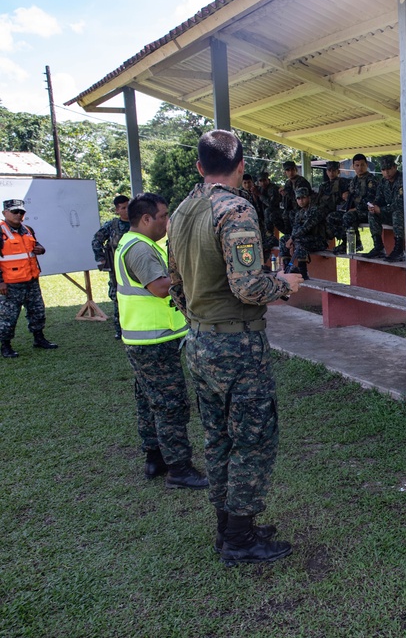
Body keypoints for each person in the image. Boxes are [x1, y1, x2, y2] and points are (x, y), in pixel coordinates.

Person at [168, 130, 303, 564]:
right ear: (241, 166)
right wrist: (285, 284)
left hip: (199, 340)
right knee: (253, 439)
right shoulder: (235, 208)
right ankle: (241, 540)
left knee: (218, 437)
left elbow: (175, 284)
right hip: (237, 347)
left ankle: (229, 527)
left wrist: (199, 318)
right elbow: (247, 286)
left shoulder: (183, 210)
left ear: (199, 166)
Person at [114, 193, 208, 489]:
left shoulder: (134, 243)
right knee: (170, 404)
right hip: (153, 341)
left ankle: (155, 458)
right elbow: (159, 287)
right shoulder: (140, 249)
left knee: (148, 400)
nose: (167, 222)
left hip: (144, 338)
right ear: (146, 219)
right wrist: (190, 276)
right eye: (164, 216)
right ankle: (179, 469)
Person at [1, 198, 58, 358]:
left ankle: (39, 339)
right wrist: (1, 282)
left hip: (31, 281)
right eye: (15, 212)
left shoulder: (27, 230)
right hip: (11, 284)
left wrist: (41, 249)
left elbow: (36, 247)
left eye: (21, 212)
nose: (19, 215)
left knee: (37, 311)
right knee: (8, 317)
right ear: (5, 213)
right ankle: (5, 346)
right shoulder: (1, 232)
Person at [91, 194, 131, 338]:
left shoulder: (139, 223)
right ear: (117, 210)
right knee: (118, 296)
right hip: (117, 269)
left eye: (129, 206)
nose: (127, 210)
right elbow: (96, 240)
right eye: (123, 208)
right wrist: (101, 259)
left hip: (136, 267)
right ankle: (119, 329)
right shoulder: (112, 226)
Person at [332, 153, 377, 254]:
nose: (360, 168)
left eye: (362, 165)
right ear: (353, 167)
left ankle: (357, 244)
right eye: (357, 165)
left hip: (367, 212)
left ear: (367, 165)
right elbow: (352, 198)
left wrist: (357, 209)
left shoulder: (371, 180)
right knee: (332, 216)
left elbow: (371, 200)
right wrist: (346, 197)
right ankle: (344, 243)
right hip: (353, 211)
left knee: (348, 216)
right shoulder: (354, 181)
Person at [366, 155, 406, 262]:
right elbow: (379, 198)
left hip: (405, 215)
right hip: (390, 214)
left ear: (395, 167)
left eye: (389, 169)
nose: (386, 172)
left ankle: (399, 250)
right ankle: (378, 246)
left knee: (397, 213)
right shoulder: (383, 182)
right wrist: (373, 206)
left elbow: (400, 204)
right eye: (383, 170)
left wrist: (382, 210)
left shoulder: (403, 180)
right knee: (372, 214)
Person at [280, 187, 327, 279]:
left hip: (318, 241)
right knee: (283, 239)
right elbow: (295, 228)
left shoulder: (316, 210)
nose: (301, 201)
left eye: (303, 198)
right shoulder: (299, 213)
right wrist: (292, 242)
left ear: (308, 198)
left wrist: (293, 239)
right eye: (298, 198)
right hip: (303, 240)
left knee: (299, 241)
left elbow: (306, 227)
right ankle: (287, 268)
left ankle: (303, 272)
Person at [316, 161, 349, 247]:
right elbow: (318, 200)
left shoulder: (344, 183)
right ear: (326, 172)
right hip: (325, 210)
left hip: (339, 211)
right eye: (329, 170)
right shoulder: (323, 186)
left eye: (334, 170)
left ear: (338, 171)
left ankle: (344, 241)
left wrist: (347, 195)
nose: (331, 173)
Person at [278, 161, 310, 237]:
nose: (291, 172)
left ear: (296, 170)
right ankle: (289, 235)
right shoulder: (288, 183)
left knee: (292, 214)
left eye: (292, 169)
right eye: (288, 170)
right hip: (291, 209)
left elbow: (301, 199)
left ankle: (294, 236)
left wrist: (287, 194)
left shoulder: (301, 181)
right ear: (285, 172)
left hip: (303, 208)